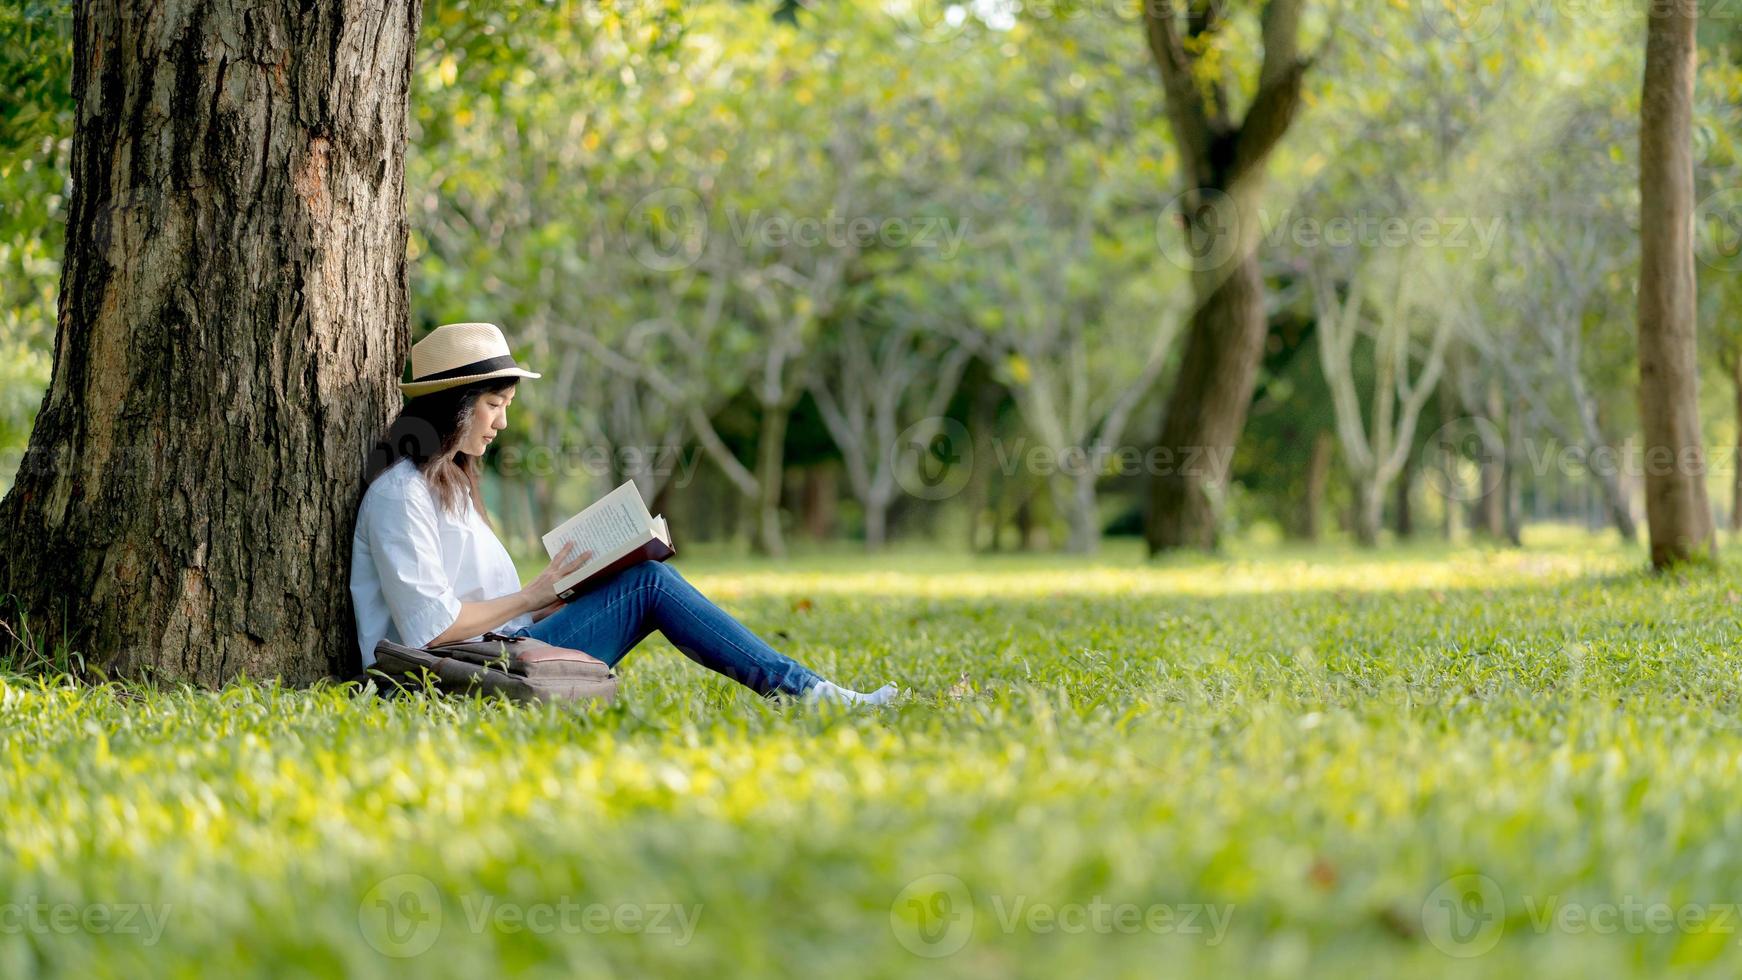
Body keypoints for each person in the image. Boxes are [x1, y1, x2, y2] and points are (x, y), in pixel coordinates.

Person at [350, 322, 897, 706]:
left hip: (499, 656)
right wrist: (535, 595)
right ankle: (806, 693)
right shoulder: (402, 495)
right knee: (649, 584)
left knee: (639, 576)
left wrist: (573, 586)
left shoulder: (453, 488)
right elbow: (430, 630)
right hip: (447, 682)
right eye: (494, 406)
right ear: (454, 405)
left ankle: (804, 691)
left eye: (506, 408)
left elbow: (494, 611)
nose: (501, 424)